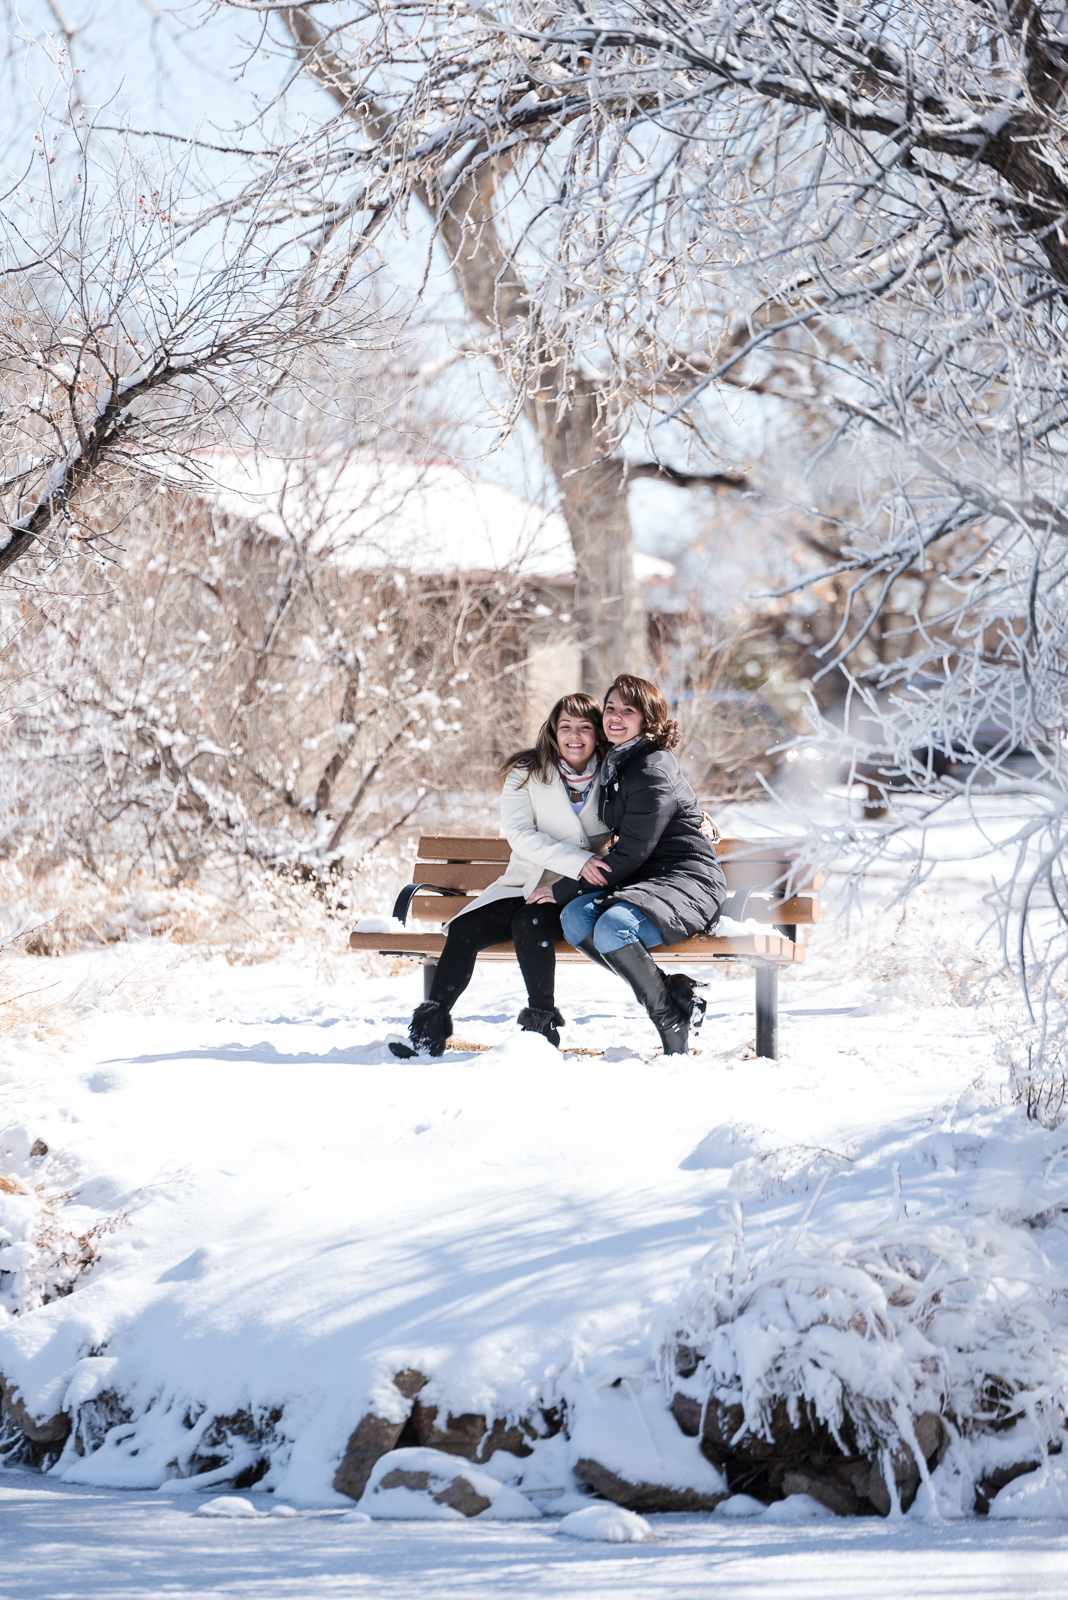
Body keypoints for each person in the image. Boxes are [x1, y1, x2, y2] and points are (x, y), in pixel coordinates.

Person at [390, 693, 611, 1058]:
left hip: (579, 890)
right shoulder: (527, 773)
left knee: (531, 922)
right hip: (526, 881)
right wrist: (579, 859)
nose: (575, 735)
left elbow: (646, 812)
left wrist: (695, 818)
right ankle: (429, 1030)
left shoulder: (613, 773)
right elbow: (521, 836)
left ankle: (540, 1030)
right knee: (464, 929)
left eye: (585, 727)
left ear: (598, 734)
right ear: (554, 731)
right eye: (566, 726)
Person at [528, 674, 727, 1055]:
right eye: (611, 708)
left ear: (647, 720)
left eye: (628, 710)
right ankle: (672, 992)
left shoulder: (650, 768)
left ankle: (670, 1023)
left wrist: (562, 888)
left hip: (687, 879)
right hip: (648, 878)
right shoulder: (618, 758)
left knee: (614, 928)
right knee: (574, 919)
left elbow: (633, 851)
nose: (615, 716)